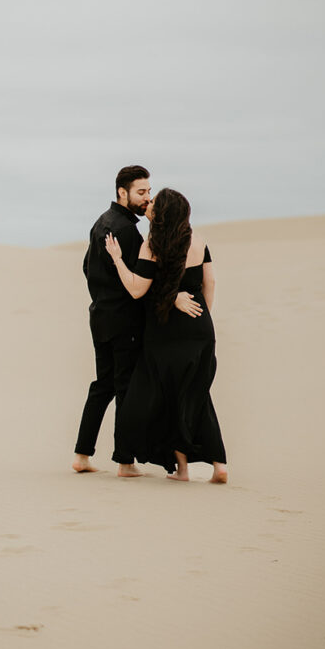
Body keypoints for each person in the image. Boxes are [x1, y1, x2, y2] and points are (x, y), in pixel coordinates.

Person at [72, 168, 199, 475]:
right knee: (126, 389)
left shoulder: (101, 222)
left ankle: (81, 456)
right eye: (141, 193)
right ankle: (125, 462)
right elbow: (140, 282)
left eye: (149, 192)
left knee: (103, 386)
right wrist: (173, 297)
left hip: (100, 317)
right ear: (122, 193)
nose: (147, 199)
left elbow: (87, 267)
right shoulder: (128, 231)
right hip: (124, 323)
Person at [104, 188, 228, 483]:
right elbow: (209, 281)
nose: (149, 204)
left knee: (167, 398)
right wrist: (202, 318)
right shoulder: (198, 241)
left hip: (166, 333)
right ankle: (218, 464)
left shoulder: (153, 244)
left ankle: (176, 468)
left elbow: (137, 289)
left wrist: (117, 259)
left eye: (154, 204)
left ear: (162, 214)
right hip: (201, 329)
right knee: (195, 395)